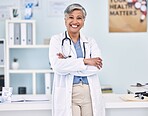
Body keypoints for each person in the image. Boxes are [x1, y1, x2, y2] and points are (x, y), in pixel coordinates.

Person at [49, 3, 105, 116]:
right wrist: (85, 61)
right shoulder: (56, 40)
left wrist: (68, 63)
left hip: (89, 92)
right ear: (65, 20)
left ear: (83, 22)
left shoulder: (90, 42)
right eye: (71, 17)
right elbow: (57, 66)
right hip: (68, 92)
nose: (75, 21)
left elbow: (96, 67)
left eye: (79, 18)